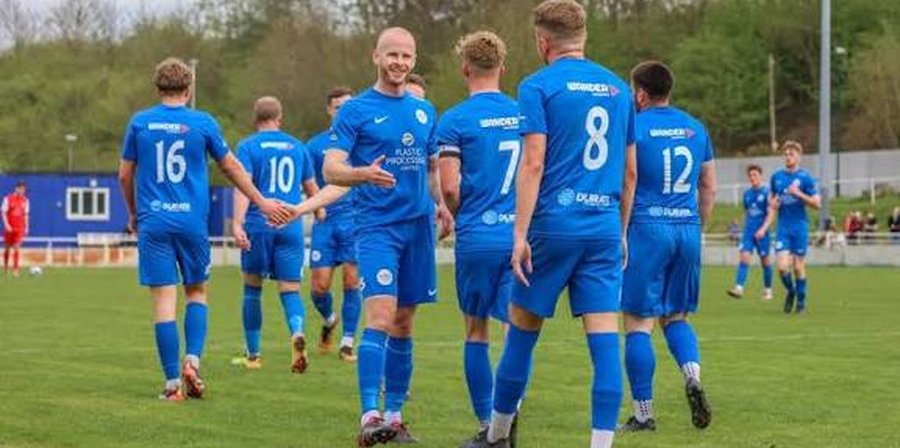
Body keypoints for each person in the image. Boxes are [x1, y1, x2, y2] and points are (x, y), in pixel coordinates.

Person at [465, 2, 637, 447]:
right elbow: (630, 173)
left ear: (543, 42)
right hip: (603, 227)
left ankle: (497, 435)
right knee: (605, 343)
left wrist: (519, 234)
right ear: (584, 38)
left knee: (521, 335)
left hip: (553, 228)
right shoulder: (618, 89)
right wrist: (620, 232)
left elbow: (534, 162)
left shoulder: (537, 86)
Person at [275, 27, 453, 446]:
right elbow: (332, 169)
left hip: (418, 230)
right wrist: (363, 174)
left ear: (414, 60)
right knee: (381, 317)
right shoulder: (355, 110)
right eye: (392, 54)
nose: (399, 62)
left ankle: (395, 417)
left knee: (405, 324)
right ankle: (369, 415)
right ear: (376, 56)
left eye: (406, 56)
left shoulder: (424, 111)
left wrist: (443, 205)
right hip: (377, 229)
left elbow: (431, 170)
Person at [118, 57, 289, 401]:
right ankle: (193, 361)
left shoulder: (140, 122)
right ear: (189, 88)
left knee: (164, 303)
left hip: (154, 222)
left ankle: (171, 386)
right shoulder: (203, 123)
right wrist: (261, 201)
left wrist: (134, 214)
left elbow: (124, 175)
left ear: (157, 88)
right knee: (196, 292)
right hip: (192, 223)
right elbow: (232, 167)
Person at [618, 61, 716, 433]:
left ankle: (643, 414)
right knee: (676, 317)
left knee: (638, 324)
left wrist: (621, 231)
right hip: (687, 229)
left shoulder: (634, 126)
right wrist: (697, 227)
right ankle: (692, 376)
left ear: (641, 94)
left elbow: (628, 179)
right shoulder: (696, 127)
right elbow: (708, 186)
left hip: (647, 229)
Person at [436, 30, 519, 433]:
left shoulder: (454, 120)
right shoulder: (524, 114)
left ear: (465, 68)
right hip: (519, 237)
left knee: (476, 329)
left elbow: (450, 188)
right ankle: (512, 411)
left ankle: (489, 423)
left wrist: (454, 215)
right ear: (502, 68)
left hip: (477, 237)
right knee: (516, 330)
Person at [230, 96, 321, 373]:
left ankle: (253, 355)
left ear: (255, 118)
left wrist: (237, 223)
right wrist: (319, 212)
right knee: (291, 289)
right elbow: (312, 188)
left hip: (259, 224)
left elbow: (243, 186)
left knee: (252, 288)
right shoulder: (297, 147)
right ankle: (297, 332)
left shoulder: (247, 146)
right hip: (290, 226)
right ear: (279, 118)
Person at [306, 87, 362, 362]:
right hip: (326, 221)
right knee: (319, 287)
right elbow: (307, 180)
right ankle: (330, 319)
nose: (343, 111)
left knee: (352, 281)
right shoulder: (314, 145)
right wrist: (315, 205)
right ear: (329, 110)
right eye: (338, 107)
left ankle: (348, 342)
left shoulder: (363, 141)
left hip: (355, 219)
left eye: (347, 106)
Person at [761, 141, 820, 314]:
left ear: (799, 157)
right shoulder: (777, 177)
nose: (788, 157)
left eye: (791, 154)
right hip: (783, 227)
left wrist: (798, 193)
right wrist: (772, 204)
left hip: (800, 227)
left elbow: (817, 204)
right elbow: (772, 200)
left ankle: (801, 302)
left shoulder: (806, 178)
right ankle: (791, 291)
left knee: (798, 267)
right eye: (785, 154)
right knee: (782, 267)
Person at [727, 165, 773, 300]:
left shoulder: (767, 193)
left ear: (760, 176)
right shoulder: (747, 194)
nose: (752, 178)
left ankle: (768, 289)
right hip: (748, 232)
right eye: (750, 175)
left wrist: (763, 229)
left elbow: (771, 214)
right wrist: (743, 226)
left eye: (755, 175)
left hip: (762, 233)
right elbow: (747, 212)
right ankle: (739, 288)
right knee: (744, 258)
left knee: (765, 262)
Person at [2, 181, 29, 277]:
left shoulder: (25, 200)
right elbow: (3, 213)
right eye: (21, 189)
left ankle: (15, 269)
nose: (22, 191)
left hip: (19, 227)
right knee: (7, 248)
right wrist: (6, 225)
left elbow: (26, 215)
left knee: (17, 247)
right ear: (16, 188)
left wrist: (27, 226)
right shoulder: (8, 199)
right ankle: (5, 268)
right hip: (9, 227)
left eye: (24, 189)